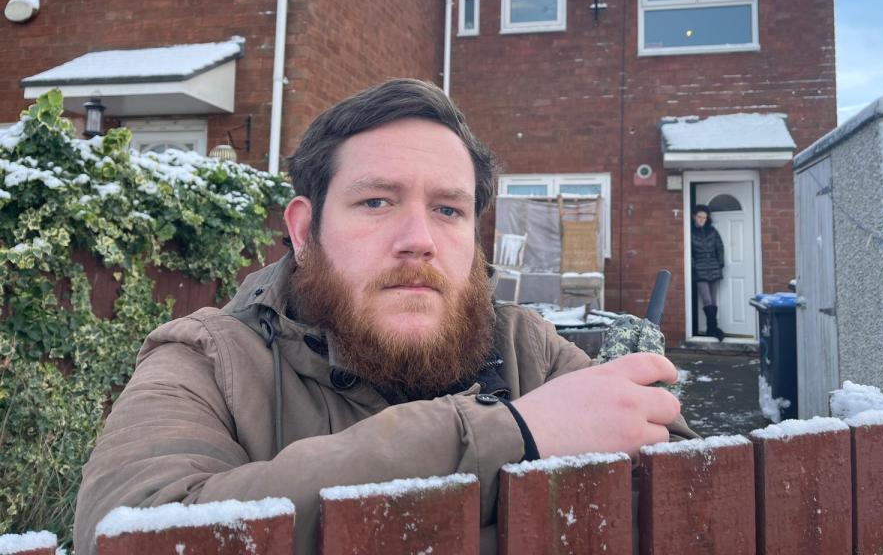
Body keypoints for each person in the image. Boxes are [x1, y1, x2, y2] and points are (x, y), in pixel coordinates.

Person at [74, 79, 694, 555]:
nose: (418, 239)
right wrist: (513, 435)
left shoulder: (527, 347)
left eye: (449, 210)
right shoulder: (207, 359)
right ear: (303, 230)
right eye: (376, 201)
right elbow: (133, 530)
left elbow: (695, 498)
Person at [691, 204, 725, 341]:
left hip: (714, 268)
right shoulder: (690, 232)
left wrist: (720, 264)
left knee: (714, 300)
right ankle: (714, 328)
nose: (701, 220)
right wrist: (693, 266)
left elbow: (720, 247)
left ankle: (711, 329)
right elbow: (689, 252)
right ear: (694, 217)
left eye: (704, 218)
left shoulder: (712, 231)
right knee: (707, 300)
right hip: (699, 270)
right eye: (699, 217)